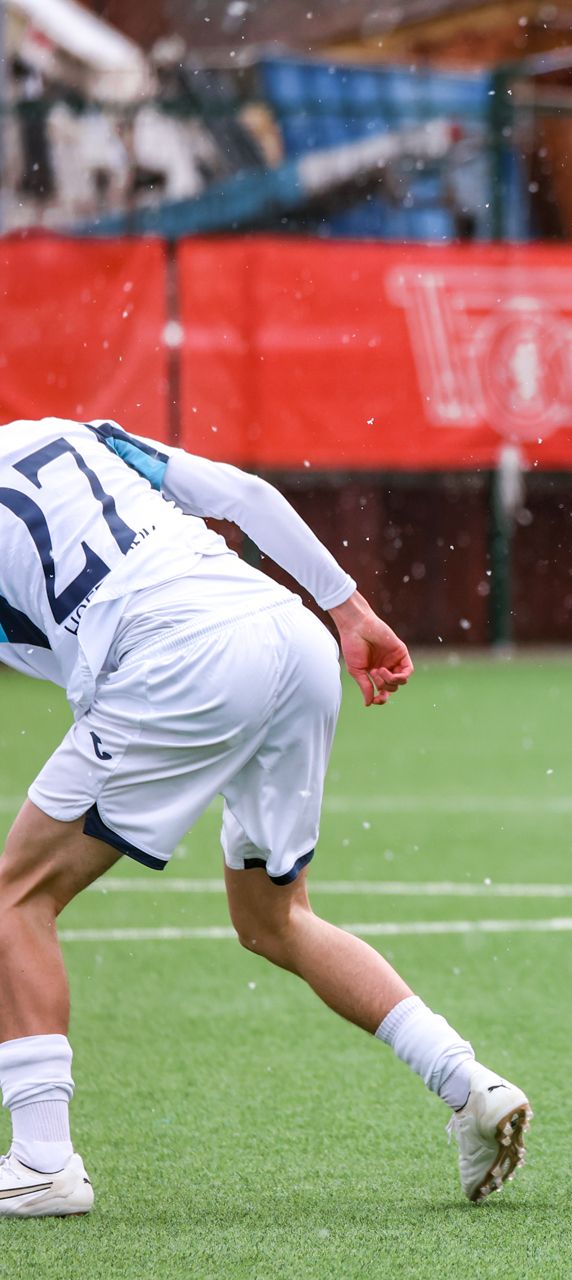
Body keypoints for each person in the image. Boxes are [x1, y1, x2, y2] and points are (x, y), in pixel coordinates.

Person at [0, 418, 530, 1217]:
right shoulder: (70, 433)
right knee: (274, 919)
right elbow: (245, 496)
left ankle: (43, 1161)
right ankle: (470, 1085)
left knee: (17, 897)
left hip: (177, 658)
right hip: (288, 632)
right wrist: (349, 610)